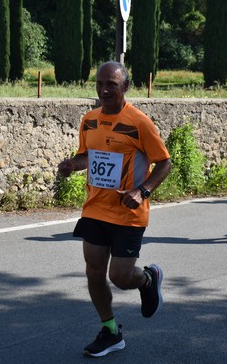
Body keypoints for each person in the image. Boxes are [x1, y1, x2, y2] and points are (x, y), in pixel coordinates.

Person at [58, 61, 172, 357]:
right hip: (95, 208)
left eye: (111, 84)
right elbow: (87, 156)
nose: (104, 89)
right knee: (94, 272)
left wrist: (142, 190)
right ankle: (110, 331)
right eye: (100, 84)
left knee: (120, 277)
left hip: (128, 212)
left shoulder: (139, 122)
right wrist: (72, 165)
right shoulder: (90, 120)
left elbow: (165, 163)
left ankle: (147, 279)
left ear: (125, 87)